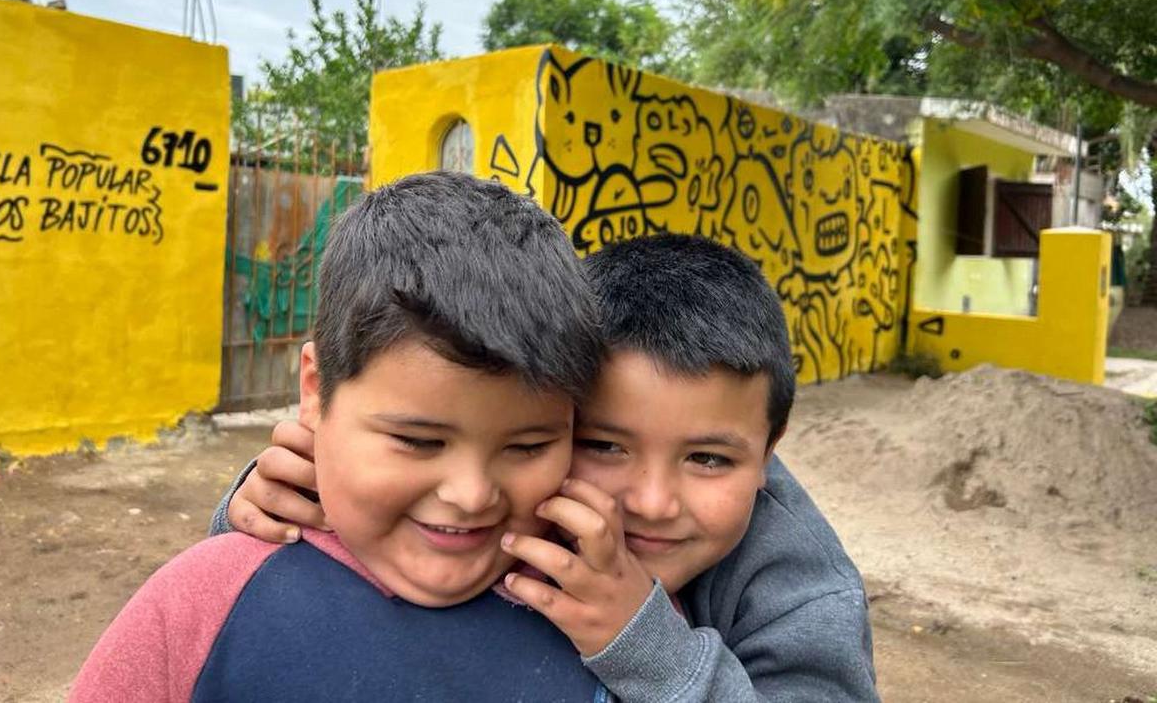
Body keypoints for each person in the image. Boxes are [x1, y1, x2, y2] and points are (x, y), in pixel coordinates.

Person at [220, 232, 880, 702]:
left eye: (708, 459)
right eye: (603, 446)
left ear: (768, 452)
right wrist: (259, 506)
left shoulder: (800, 585)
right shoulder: (504, 486)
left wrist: (644, 644)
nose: (652, 502)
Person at [70, 172, 608, 703]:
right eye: (418, 441)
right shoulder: (200, 608)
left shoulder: (615, 618)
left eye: (528, 447)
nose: (471, 495)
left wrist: (650, 653)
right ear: (314, 388)